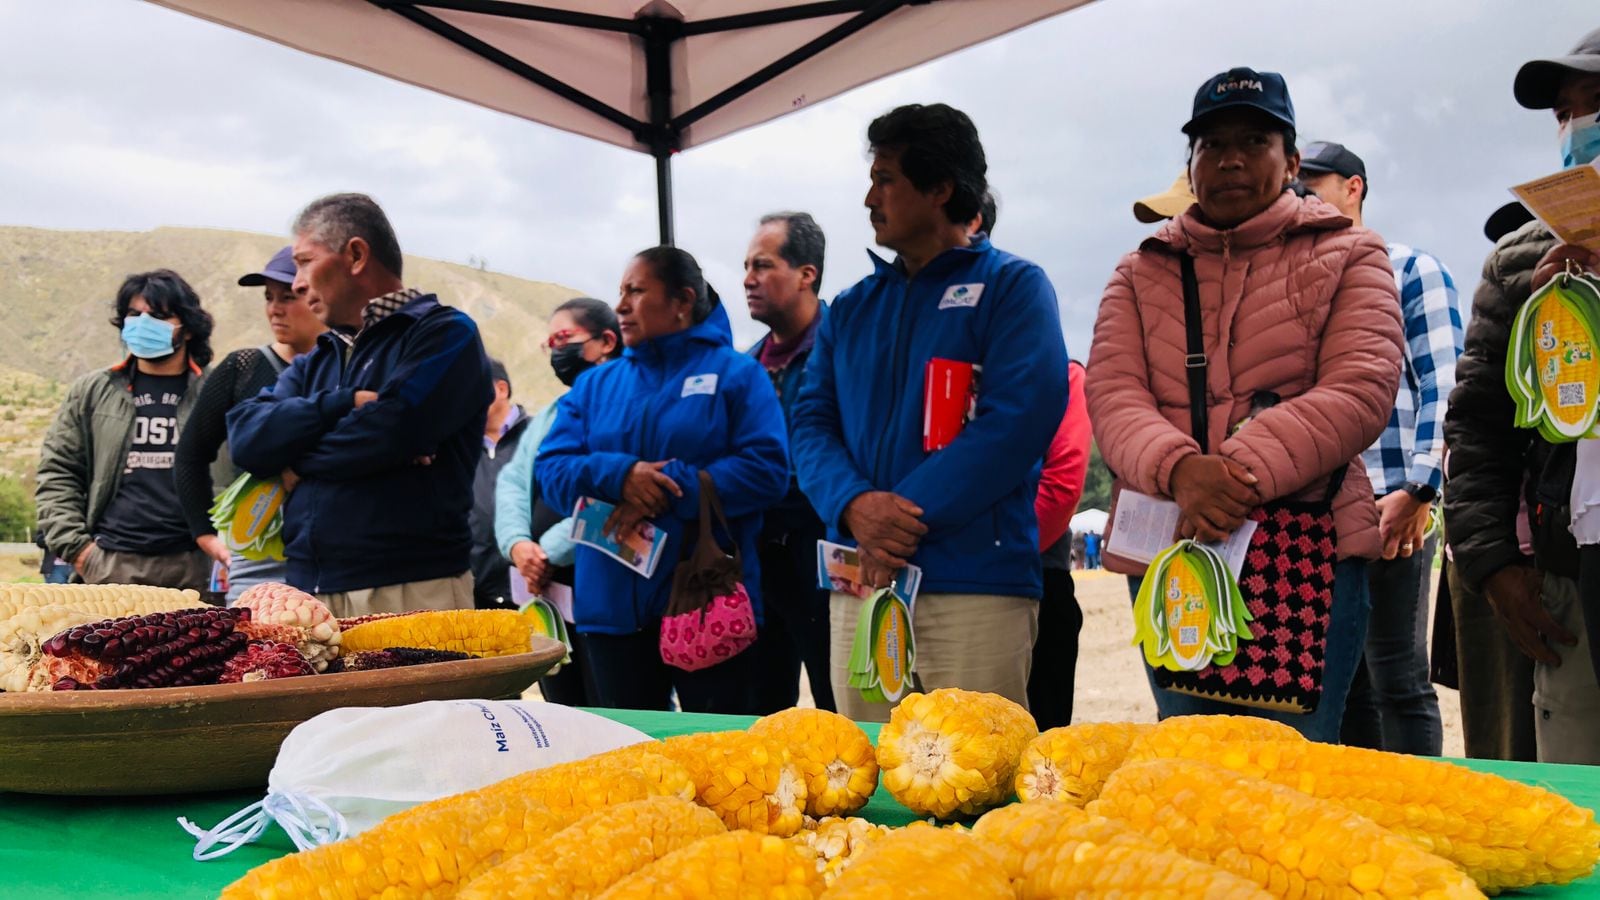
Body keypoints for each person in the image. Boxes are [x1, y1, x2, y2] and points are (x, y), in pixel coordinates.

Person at [1086, 68, 1404, 742]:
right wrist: (1178, 470)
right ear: (1191, 163)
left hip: (1307, 549)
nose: (1229, 158)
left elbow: (1361, 388)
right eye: (1210, 143)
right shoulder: (1139, 269)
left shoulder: (1351, 253)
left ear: (1290, 160)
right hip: (1172, 546)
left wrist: (1230, 474)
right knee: (1189, 756)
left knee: (1295, 764)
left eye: (1253, 140)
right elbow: (1112, 394)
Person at [792, 102, 1069, 722]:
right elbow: (810, 424)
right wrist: (855, 506)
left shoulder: (1015, 288)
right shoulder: (850, 308)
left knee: (979, 782)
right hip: (860, 581)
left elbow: (1019, 420)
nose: (870, 197)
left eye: (886, 178)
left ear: (941, 187)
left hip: (976, 584)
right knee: (867, 783)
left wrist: (900, 518)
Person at [535, 247, 789, 713]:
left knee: (717, 760)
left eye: (636, 290)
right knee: (628, 756)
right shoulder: (596, 385)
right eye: (621, 292)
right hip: (609, 609)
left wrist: (669, 487)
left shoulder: (737, 375)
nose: (622, 305)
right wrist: (620, 475)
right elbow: (550, 470)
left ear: (682, 301)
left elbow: (768, 472)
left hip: (704, 601)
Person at [1444, 28, 1600, 765]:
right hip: (1570, 580)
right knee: (1579, 812)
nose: (1578, 128)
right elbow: (1477, 428)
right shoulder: (1521, 262)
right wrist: (1495, 566)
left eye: (1595, 104)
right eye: (1565, 114)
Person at [227, 193, 492, 616]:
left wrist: (294, 462)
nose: (296, 283)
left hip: (410, 588)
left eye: (304, 262)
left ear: (354, 255)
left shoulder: (443, 334)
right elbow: (246, 440)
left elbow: (392, 430)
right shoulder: (320, 357)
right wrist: (340, 404)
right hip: (309, 589)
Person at [1297, 140, 1463, 756]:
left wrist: (1421, 488)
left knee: (1398, 677)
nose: (1303, 197)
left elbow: (1444, 385)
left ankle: (1417, 823)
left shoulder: (1411, 269)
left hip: (1392, 500)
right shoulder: (1301, 282)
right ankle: (1365, 824)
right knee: (1342, 685)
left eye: (1314, 185)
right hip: (1319, 509)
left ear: (1353, 187)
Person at [36, 270, 217, 592]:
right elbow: (58, 471)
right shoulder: (93, 391)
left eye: (160, 315)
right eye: (135, 315)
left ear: (187, 328)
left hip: (195, 567)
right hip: (110, 565)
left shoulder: (215, 391)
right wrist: (80, 552)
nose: (144, 323)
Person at [173, 247, 324, 602]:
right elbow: (190, 456)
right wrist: (206, 536)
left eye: (288, 297)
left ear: (320, 296)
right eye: (269, 297)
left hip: (332, 552)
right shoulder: (242, 368)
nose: (275, 308)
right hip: (257, 555)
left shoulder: (348, 370)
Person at [495, 297, 624, 705]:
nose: (556, 351)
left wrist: (549, 550)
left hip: (602, 576)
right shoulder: (556, 409)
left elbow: (613, 493)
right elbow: (514, 478)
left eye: (564, 338)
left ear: (606, 341)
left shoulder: (624, 403)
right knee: (562, 704)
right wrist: (518, 545)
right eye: (549, 342)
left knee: (613, 704)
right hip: (543, 586)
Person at [743, 211, 836, 714]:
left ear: (807, 274)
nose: (748, 279)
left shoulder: (840, 350)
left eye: (763, 264)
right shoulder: (745, 364)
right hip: (756, 561)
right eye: (745, 266)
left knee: (838, 705)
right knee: (762, 713)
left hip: (824, 555)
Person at [1030, 358, 1091, 729]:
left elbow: (1062, 488)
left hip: (1037, 576)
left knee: (1040, 747)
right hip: (952, 573)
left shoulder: (1062, 375)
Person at [467, 359, 531, 609]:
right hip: (477, 592)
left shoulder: (539, 436)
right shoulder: (458, 447)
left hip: (537, 585)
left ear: (501, 389)